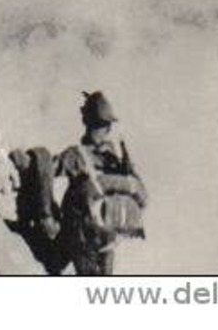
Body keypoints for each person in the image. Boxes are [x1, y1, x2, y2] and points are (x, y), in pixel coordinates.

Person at [54, 92, 148, 276]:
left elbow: (51, 169)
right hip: (107, 237)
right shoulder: (112, 156)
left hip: (82, 233)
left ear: (86, 121)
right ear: (107, 127)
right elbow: (140, 193)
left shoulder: (75, 154)